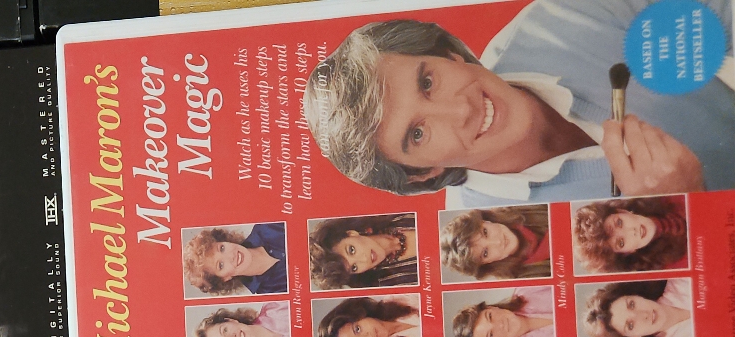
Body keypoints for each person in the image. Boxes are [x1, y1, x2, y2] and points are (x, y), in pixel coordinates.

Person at [303, 0, 735, 207]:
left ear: (450, 54)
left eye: (428, 82)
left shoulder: (561, 18)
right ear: (424, 173)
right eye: (418, 134)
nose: (461, 111)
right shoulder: (489, 241)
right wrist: (685, 217)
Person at [572, 196, 689, 273]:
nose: (631, 231)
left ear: (622, 211)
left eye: (619, 223)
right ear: (627, 252)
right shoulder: (674, 268)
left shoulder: (665, 192)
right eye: (621, 242)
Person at [584, 278, 694, 337]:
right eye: (630, 325)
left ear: (636, 295)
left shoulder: (680, 279)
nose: (643, 314)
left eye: (632, 304)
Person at [439, 205, 551, 280]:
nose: (497, 242)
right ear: (487, 264)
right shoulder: (525, 279)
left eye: (485, 232)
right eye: (485, 253)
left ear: (485, 221)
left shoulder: (521, 204)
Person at [309, 214, 417, 289]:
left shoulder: (390, 213)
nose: (364, 259)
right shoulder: (392, 284)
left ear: (351, 233)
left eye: (352, 250)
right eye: (354, 267)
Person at [450, 286, 555, 337]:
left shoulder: (528, 289)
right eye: (491, 335)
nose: (500, 325)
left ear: (491, 307)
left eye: (490, 316)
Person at [183, 223, 288, 295]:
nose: (231, 256)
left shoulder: (267, 227)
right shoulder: (270, 292)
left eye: (222, 248)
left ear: (224, 240)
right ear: (225, 279)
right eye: (221, 265)